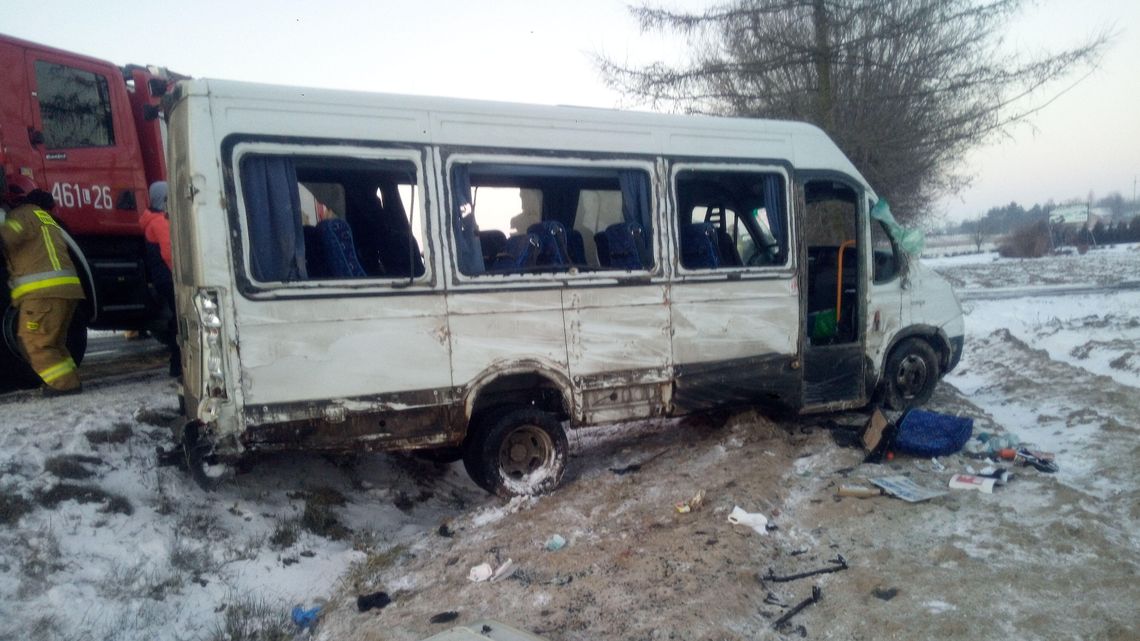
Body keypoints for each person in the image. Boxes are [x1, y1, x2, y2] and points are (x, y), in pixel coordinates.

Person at [0, 175, 85, 395]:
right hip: (65, 292)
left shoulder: (20, 217)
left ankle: (65, 385)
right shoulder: (43, 216)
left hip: (42, 294)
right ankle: (69, 379)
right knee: (54, 344)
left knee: (35, 342)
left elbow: (5, 238)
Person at [139, 181, 181, 376]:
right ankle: (178, 364)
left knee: (175, 319)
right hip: (170, 278)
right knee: (179, 320)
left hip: (161, 278)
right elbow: (169, 252)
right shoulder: (160, 221)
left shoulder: (152, 220)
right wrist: (180, 277)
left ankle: (177, 363)